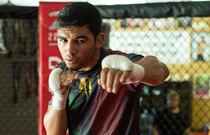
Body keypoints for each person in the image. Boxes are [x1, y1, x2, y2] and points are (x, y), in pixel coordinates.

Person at [43, 2, 169, 135]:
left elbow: (161, 71)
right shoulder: (63, 71)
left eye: (80, 41)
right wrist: (59, 97)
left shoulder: (118, 64)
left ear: (99, 40)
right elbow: (53, 132)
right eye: (63, 40)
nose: (69, 51)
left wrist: (134, 71)